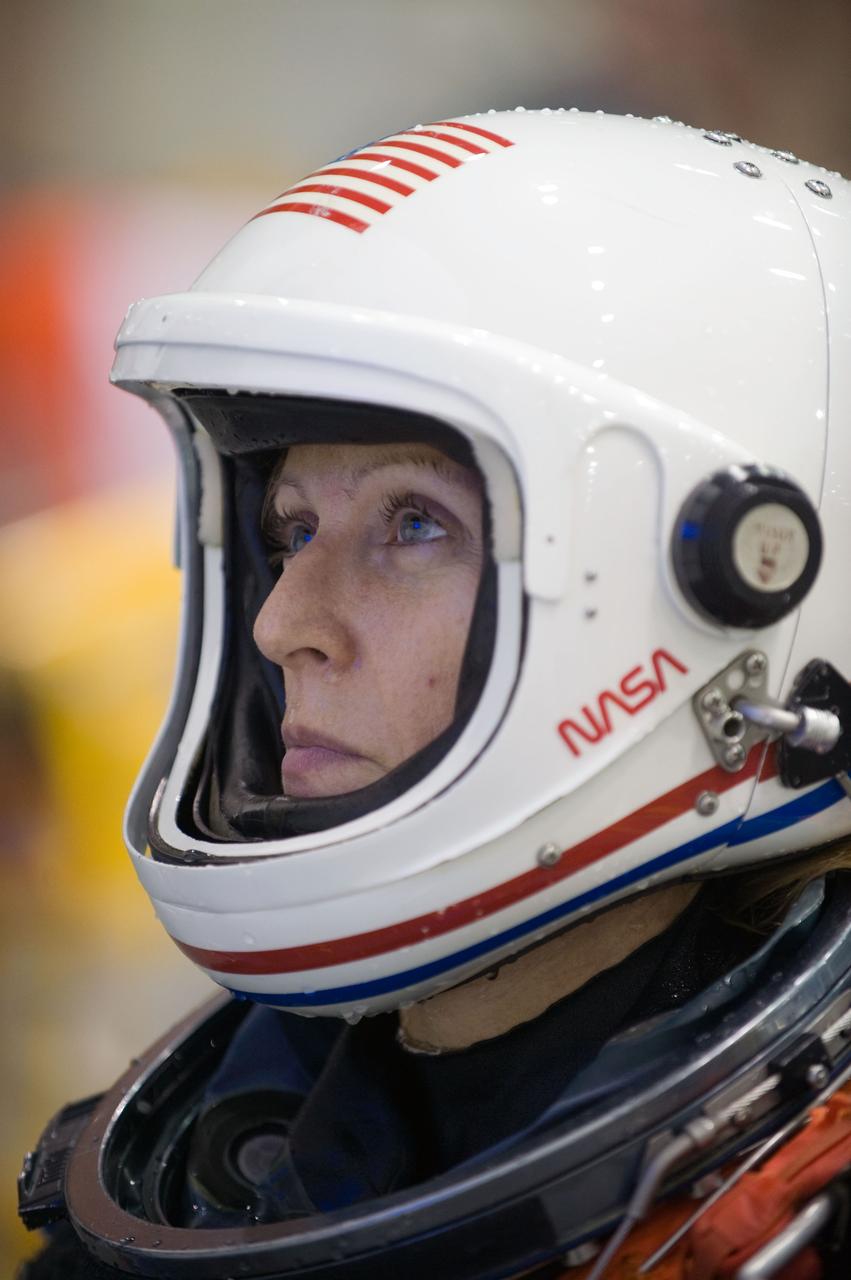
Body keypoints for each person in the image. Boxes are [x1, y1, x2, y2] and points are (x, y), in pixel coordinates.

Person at [18, 110, 851, 1278]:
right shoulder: (171, 1189)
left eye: (413, 523)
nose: (279, 624)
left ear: (747, 585)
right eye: (290, 529)